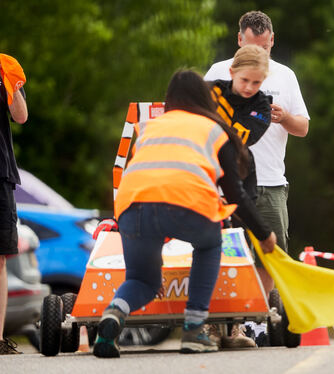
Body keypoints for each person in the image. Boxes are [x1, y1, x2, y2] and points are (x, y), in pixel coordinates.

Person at [92, 69, 277, 358]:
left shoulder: (149, 126)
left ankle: (114, 313)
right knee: (211, 242)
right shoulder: (214, 130)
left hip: (131, 206)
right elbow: (235, 195)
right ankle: (194, 329)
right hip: (187, 202)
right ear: (205, 98)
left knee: (142, 280)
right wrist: (264, 234)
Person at [205, 10, 309, 297]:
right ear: (239, 40)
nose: (258, 54)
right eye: (251, 48)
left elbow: (303, 128)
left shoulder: (285, 75)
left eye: (263, 48)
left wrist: (285, 117)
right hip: (225, 180)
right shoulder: (217, 72)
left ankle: (258, 320)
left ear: (272, 41)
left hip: (271, 181)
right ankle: (229, 323)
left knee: (270, 253)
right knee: (227, 254)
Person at [207, 44, 271, 349]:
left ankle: (233, 330)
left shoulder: (263, 107)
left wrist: (213, 124)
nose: (250, 88)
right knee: (206, 253)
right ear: (232, 73)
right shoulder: (209, 92)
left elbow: (236, 138)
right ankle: (208, 327)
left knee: (237, 254)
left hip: (240, 179)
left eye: (256, 82)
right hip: (202, 178)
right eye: (245, 80)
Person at [0, 54, 28, 355]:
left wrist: (13, 84)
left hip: (0, 173)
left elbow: (21, 116)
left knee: (0, 257)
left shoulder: (4, 68)